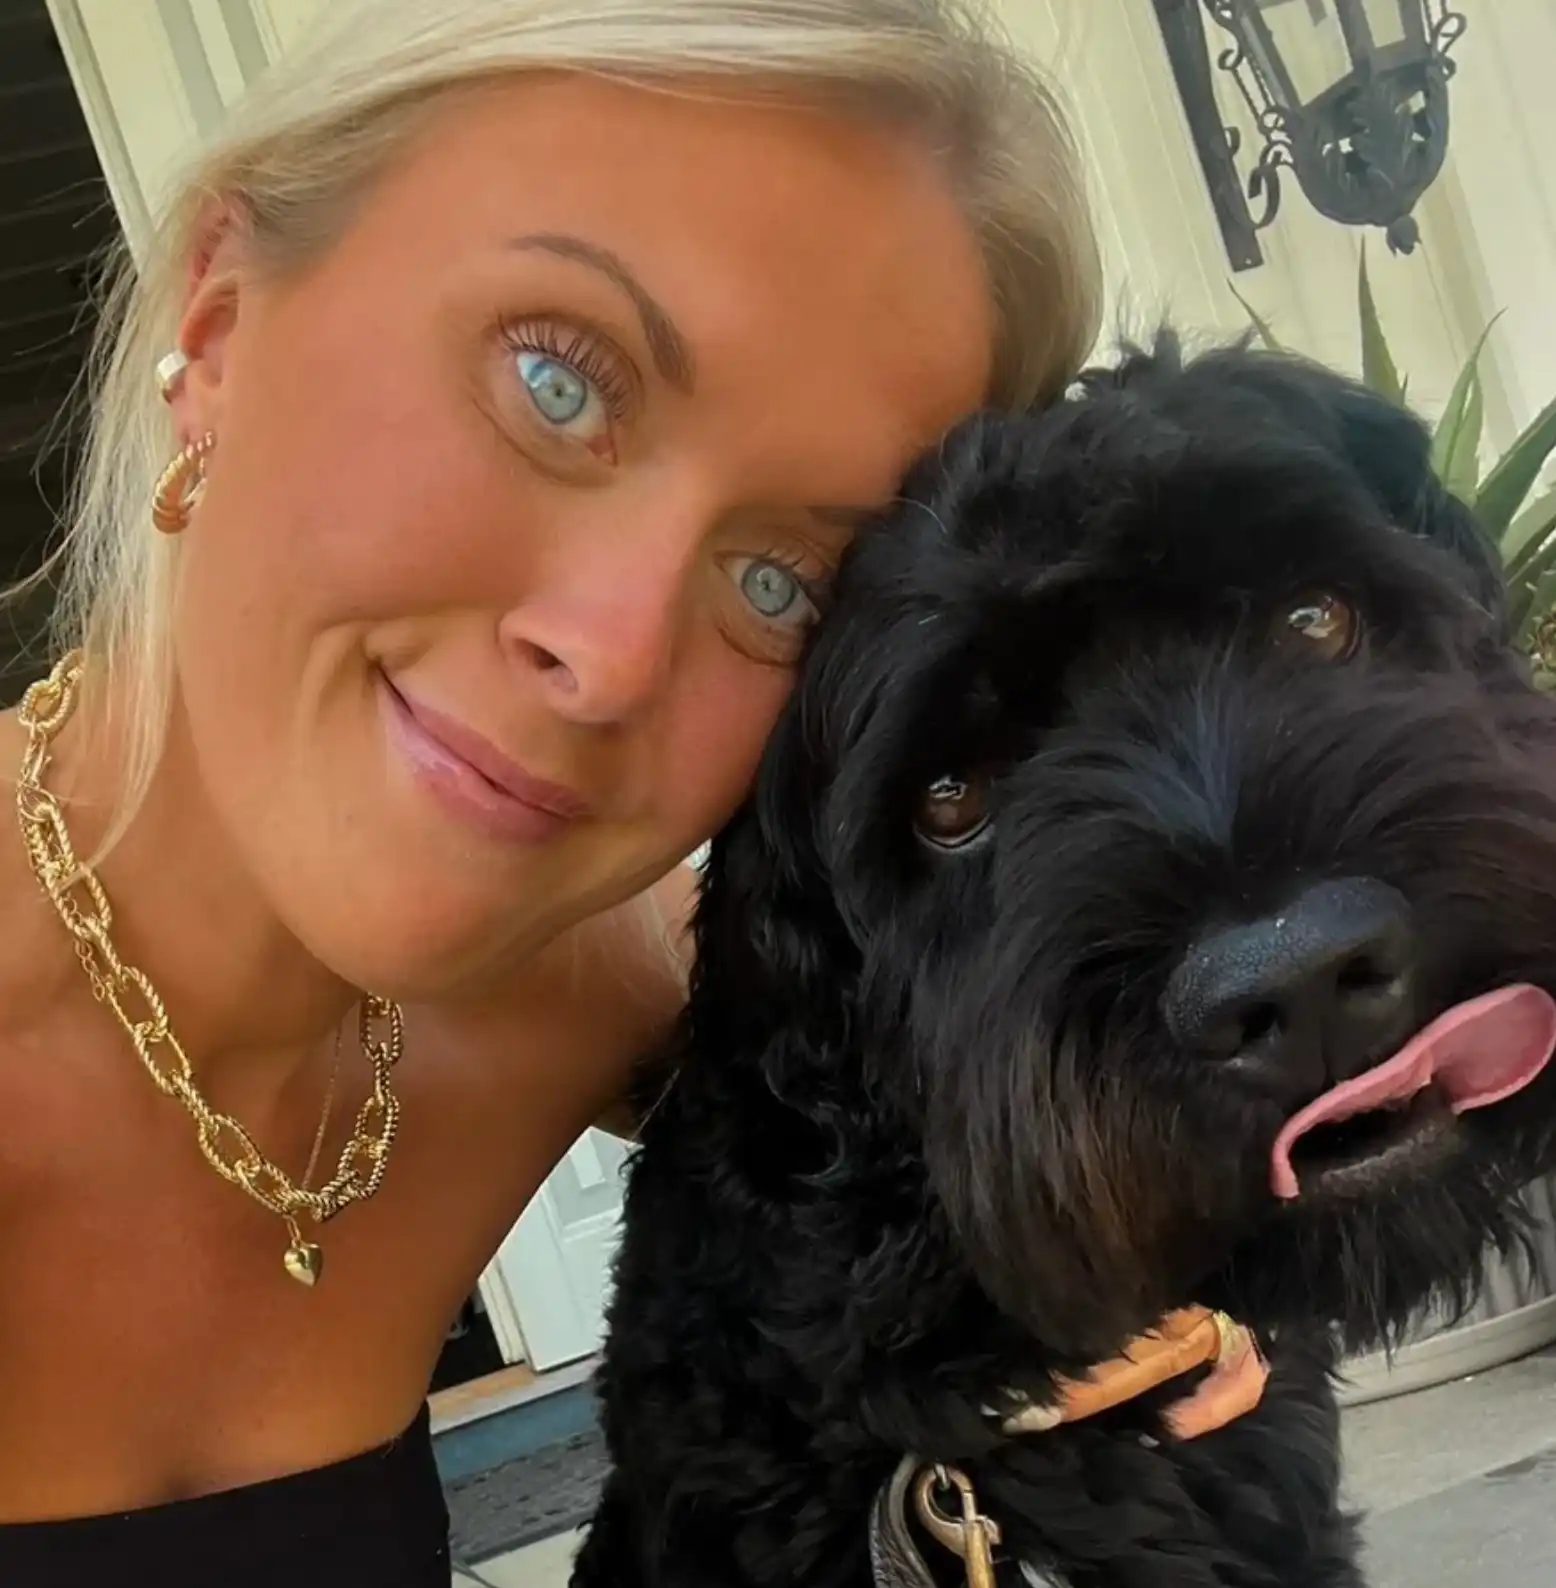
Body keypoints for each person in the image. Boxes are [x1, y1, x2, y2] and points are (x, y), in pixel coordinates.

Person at [0, 0, 1099, 1581]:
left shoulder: (596, 998)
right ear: (221, 321)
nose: (613, 653)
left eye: (786, 583)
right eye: (557, 383)